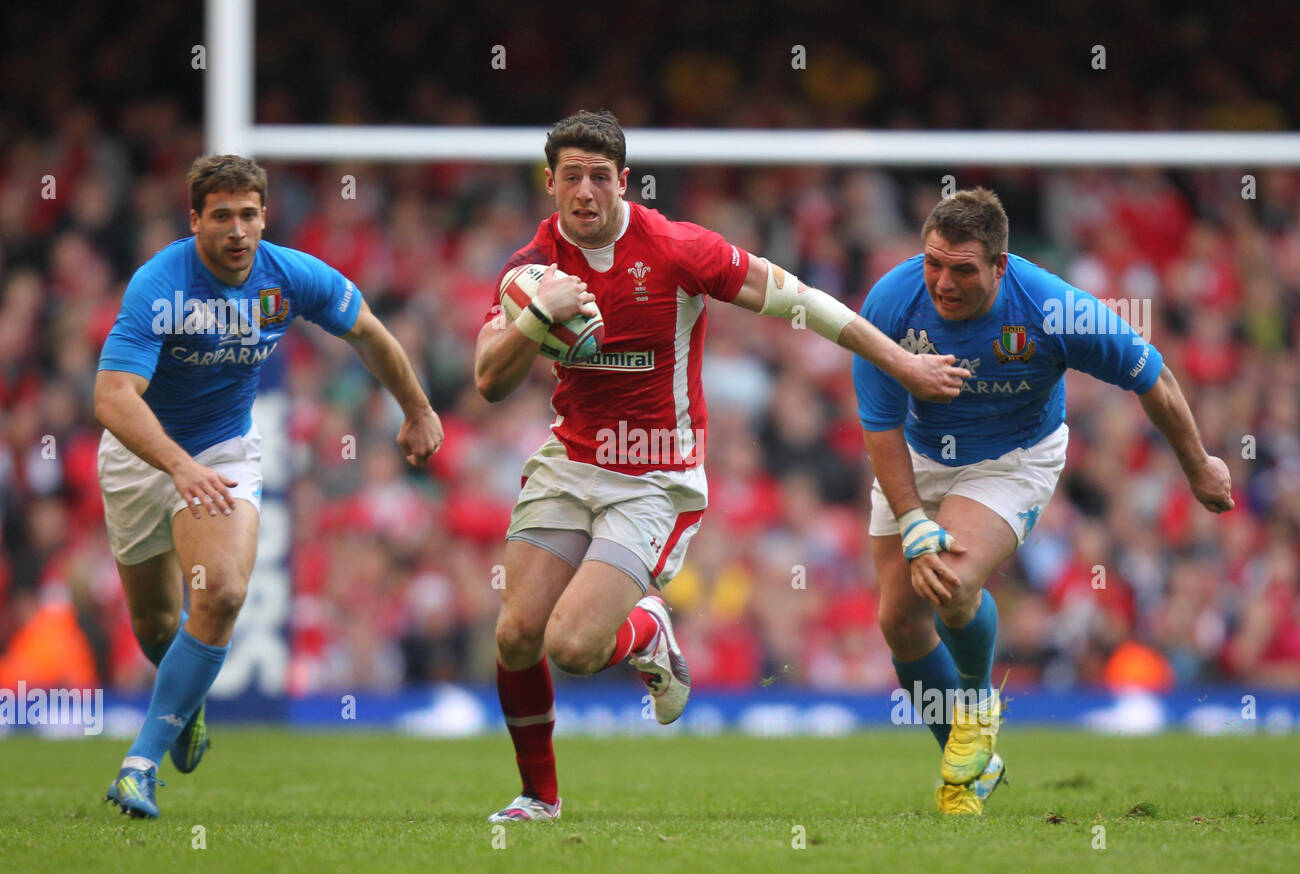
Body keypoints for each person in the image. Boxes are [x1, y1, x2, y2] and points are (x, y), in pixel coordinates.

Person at [474, 109, 971, 822]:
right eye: (572, 176)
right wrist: (534, 315)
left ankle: (649, 632)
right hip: (569, 459)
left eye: (601, 177)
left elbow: (799, 301)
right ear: (550, 183)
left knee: (575, 646)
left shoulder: (677, 249)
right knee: (517, 635)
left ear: (624, 183)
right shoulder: (530, 272)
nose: (586, 191)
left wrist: (901, 361)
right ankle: (538, 797)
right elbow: (488, 381)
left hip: (654, 473)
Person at [856, 187, 1233, 815]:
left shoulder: (1054, 307)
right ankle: (971, 764)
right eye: (934, 263)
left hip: (1013, 458)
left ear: (1001, 266)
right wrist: (912, 518)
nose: (943, 282)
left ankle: (975, 707)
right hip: (916, 456)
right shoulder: (892, 301)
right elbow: (879, 424)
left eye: (963, 269)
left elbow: (1155, 376)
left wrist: (1198, 466)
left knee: (947, 579)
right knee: (898, 620)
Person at [97, 154, 443, 818]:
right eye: (220, 215)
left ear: (265, 217)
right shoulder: (159, 283)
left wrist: (419, 409)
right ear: (194, 219)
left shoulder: (290, 275)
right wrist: (175, 464)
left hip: (224, 447)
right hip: (142, 452)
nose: (236, 230)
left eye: (248, 215)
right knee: (155, 620)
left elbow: (368, 333)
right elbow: (113, 398)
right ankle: (187, 701)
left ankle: (138, 765)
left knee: (222, 592)